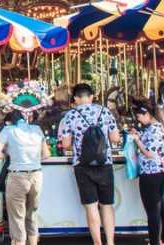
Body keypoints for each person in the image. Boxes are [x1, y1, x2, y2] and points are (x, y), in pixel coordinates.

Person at [58, 83, 121, 245]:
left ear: (76, 98)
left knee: (91, 207)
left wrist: (78, 145)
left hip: (82, 165)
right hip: (104, 163)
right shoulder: (105, 111)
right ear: (92, 96)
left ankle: (97, 242)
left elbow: (65, 144)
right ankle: (111, 242)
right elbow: (115, 138)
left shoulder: (70, 115)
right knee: (107, 205)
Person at [0, 109, 49, 245]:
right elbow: (46, 155)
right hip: (36, 176)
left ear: (9, 121)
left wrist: (9, 155)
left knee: (17, 217)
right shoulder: (37, 129)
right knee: (32, 215)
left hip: (17, 177)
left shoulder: (8, 130)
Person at [127, 102, 164, 245]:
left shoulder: (155, 130)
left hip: (151, 174)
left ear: (147, 114)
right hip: (156, 173)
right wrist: (138, 135)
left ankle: (155, 241)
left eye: (139, 116)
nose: (139, 119)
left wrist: (137, 140)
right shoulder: (154, 127)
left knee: (153, 211)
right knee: (161, 208)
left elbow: (149, 153)